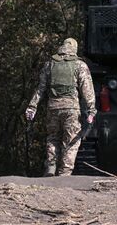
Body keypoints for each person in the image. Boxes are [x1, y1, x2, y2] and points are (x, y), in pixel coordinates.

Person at [25, 38, 96, 176]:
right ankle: (65, 174)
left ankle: (51, 169)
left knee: (52, 138)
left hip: (53, 108)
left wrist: (32, 107)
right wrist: (91, 110)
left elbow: (40, 89)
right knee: (71, 141)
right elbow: (87, 90)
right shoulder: (80, 65)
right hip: (71, 109)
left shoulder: (50, 64)